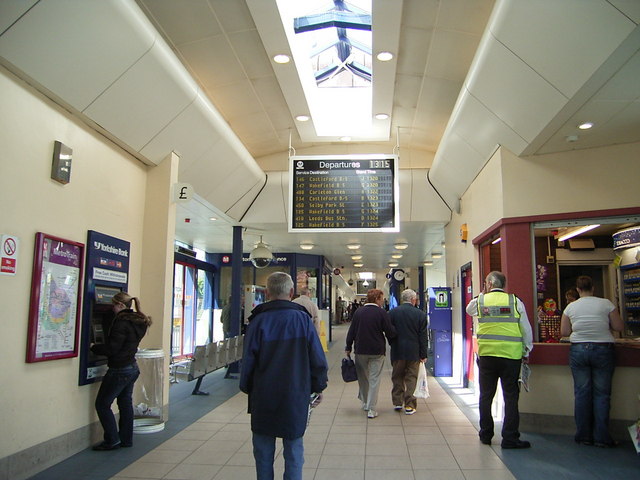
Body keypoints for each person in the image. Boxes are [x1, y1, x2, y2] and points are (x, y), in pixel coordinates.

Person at [240, 272, 328, 480]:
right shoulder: (302, 320)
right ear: (291, 292)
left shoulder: (257, 321)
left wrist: (248, 387)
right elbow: (317, 359)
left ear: (267, 293)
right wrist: (318, 387)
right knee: (294, 451)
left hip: (264, 395)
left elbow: (248, 361)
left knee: (262, 453)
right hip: (295, 395)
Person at [466, 271, 533, 449]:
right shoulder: (515, 301)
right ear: (504, 285)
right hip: (511, 357)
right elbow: (525, 328)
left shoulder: (480, 301)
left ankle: (486, 434)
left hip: (487, 356)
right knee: (510, 396)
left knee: (486, 395)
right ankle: (510, 437)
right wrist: (527, 350)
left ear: (488, 284)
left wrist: (482, 293)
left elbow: (469, 310)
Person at [560, 275, 624, 448]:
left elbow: (564, 331)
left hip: (579, 349)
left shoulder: (570, 307)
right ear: (593, 288)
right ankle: (602, 437)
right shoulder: (606, 304)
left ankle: (583, 436)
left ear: (578, 290)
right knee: (602, 394)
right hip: (603, 349)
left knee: (581, 393)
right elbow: (619, 327)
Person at [90, 292, 152, 450]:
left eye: (114, 305)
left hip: (119, 369)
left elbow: (112, 348)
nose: (112, 308)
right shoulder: (138, 322)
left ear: (121, 305)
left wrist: (94, 347)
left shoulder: (120, 323)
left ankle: (112, 439)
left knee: (102, 404)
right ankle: (126, 439)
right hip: (131, 367)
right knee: (125, 403)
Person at [345, 289, 396, 419]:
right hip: (377, 351)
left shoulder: (358, 312)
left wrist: (348, 346)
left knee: (363, 378)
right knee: (374, 379)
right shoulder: (382, 313)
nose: (382, 301)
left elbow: (352, 330)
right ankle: (372, 409)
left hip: (360, 349)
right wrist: (394, 339)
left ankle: (365, 403)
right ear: (377, 299)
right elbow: (389, 331)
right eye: (381, 299)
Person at [388, 289, 428, 415]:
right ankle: (410, 405)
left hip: (397, 350)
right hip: (414, 351)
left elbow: (389, 332)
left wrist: (392, 342)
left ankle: (397, 402)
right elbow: (423, 336)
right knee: (411, 377)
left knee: (397, 376)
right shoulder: (420, 315)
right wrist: (423, 354)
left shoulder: (392, 313)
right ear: (413, 300)